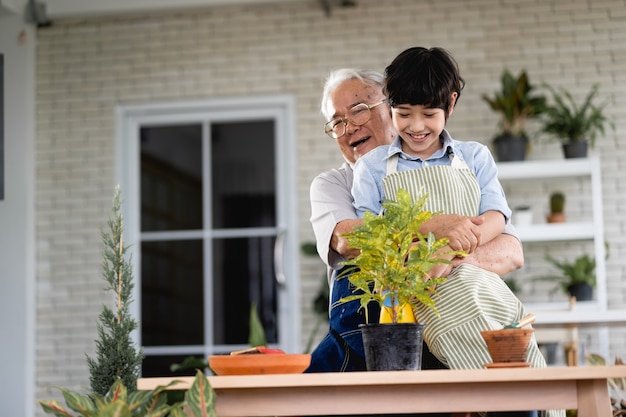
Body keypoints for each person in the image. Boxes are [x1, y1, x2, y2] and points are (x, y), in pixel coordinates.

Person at [350, 47, 562, 417]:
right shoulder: (372, 168)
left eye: (429, 114)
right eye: (403, 114)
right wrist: (431, 251)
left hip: (484, 285)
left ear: (451, 103)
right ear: (389, 107)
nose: (417, 127)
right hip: (423, 296)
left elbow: (497, 217)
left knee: (518, 359)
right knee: (503, 387)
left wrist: (454, 248)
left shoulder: (474, 156)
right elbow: (371, 235)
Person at [306, 67, 524, 375]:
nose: (349, 127)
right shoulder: (331, 183)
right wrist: (433, 226)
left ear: (391, 105)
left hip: (452, 326)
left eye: (358, 111)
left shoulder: (465, 160)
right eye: (337, 122)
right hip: (369, 338)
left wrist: (443, 255)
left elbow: (511, 251)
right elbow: (348, 239)